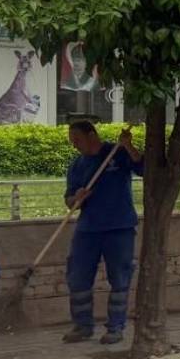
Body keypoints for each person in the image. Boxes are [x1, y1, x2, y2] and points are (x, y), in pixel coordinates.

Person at [61, 122, 143, 345]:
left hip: (119, 227)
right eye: (72, 141)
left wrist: (128, 146)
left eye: (77, 139)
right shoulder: (77, 166)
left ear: (92, 135)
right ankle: (82, 326)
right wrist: (76, 198)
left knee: (120, 278)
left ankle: (115, 328)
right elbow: (69, 202)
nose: (74, 145)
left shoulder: (116, 153)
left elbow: (143, 168)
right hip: (88, 229)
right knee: (77, 277)